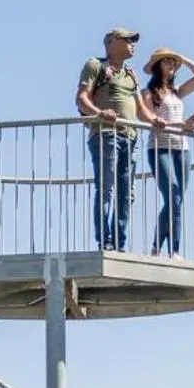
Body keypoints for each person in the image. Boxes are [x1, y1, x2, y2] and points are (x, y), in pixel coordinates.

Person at [75, 27, 142, 251]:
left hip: (130, 137)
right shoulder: (96, 65)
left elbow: (143, 112)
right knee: (106, 189)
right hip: (105, 135)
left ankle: (120, 243)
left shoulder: (131, 74)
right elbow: (81, 98)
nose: (133, 44)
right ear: (112, 42)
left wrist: (175, 125)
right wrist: (99, 112)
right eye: (128, 39)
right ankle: (105, 241)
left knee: (127, 193)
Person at [140, 47, 194, 256]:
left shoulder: (177, 91)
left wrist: (182, 58)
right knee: (173, 195)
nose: (171, 65)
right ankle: (167, 249)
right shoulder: (147, 92)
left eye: (173, 62)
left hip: (181, 148)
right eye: (167, 61)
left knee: (176, 199)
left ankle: (162, 248)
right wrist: (182, 124)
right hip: (160, 147)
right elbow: (149, 118)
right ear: (157, 66)